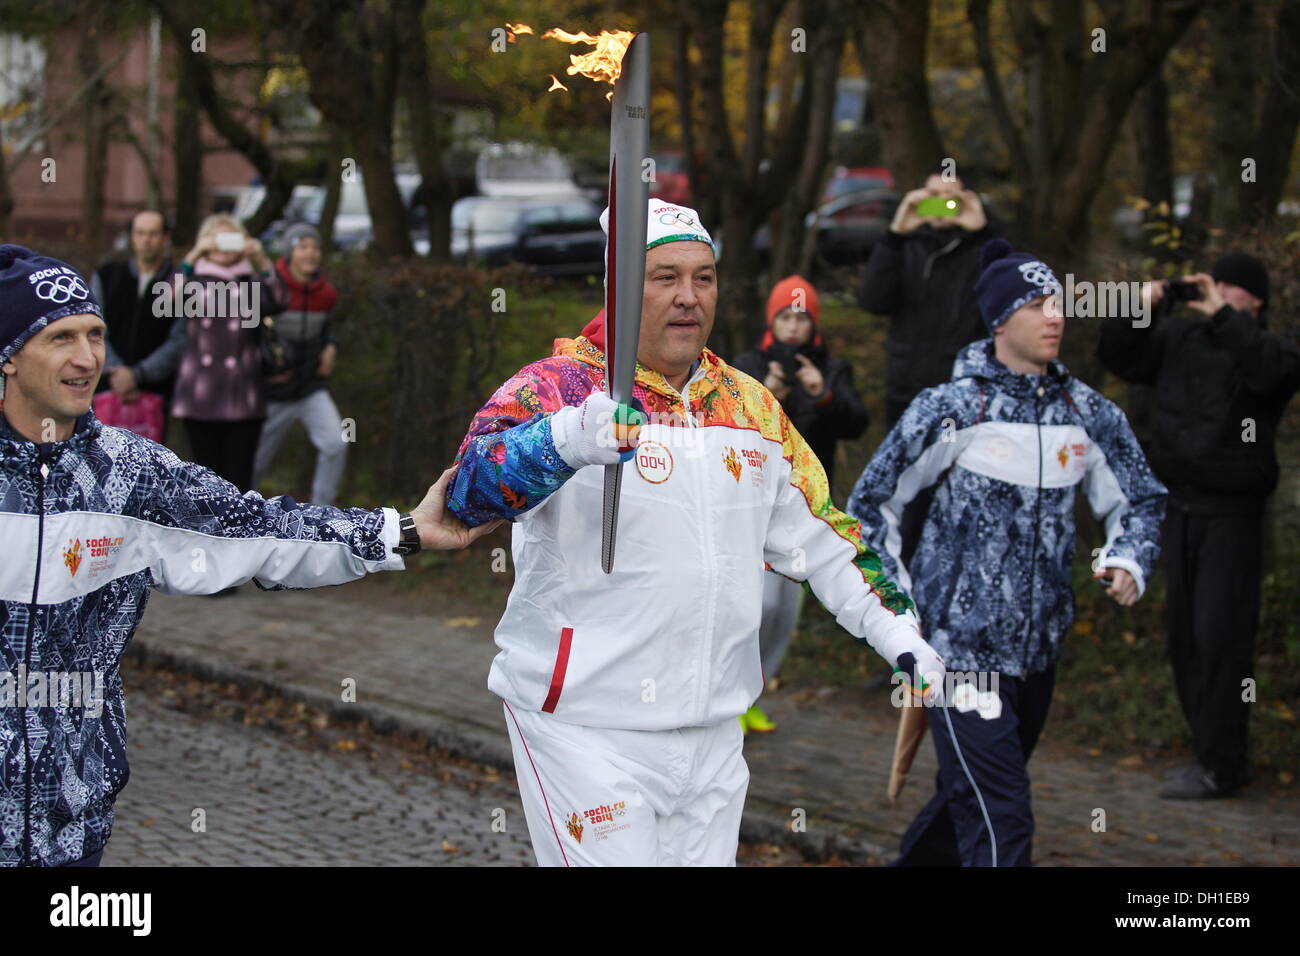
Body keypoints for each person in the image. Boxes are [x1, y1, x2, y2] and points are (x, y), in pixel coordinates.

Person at [446, 200, 944, 867]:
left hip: (714, 732)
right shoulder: (557, 389)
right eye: (664, 278)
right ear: (620, 287)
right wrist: (566, 440)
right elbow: (470, 491)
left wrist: (901, 637)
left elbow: (826, 533)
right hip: (585, 728)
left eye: (703, 278)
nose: (688, 297)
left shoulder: (750, 408)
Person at [0, 244, 497, 867]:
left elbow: (257, 529)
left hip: (68, 822)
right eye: (59, 338)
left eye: (94, 334)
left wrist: (398, 532)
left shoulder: (128, 475)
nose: (87, 358)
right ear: (9, 357)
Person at [849, 239, 1167, 866]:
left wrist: (1128, 558)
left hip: (1039, 654)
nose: (1056, 316)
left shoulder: (1090, 415)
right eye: (1037, 304)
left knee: (964, 803)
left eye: (1058, 303)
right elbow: (868, 507)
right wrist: (898, 612)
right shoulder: (953, 408)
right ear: (999, 320)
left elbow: (1142, 500)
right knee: (1003, 820)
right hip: (960, 654)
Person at [1097, 254, 1300, 799]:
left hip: (1232, 516)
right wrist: (1140, 308)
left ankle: (1223, 763)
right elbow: (1118, 356)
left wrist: (1222, 315)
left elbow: (1272, 372)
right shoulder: (1180, 342)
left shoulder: (1267, 349)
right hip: (1178, 508)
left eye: (1231, 288)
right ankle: (1205, 753)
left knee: (1222, 639)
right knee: (1185, 639)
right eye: (1213, 285)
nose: (1218, 294)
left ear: (1255, 301)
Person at [729, 275, 869, 733]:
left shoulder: (831, 369)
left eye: (802, 318)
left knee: (784, 615)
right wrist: (767, 392)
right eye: (785, 317)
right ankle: (730, 693)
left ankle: (754, 695)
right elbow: (726, 423)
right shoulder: (748, 366)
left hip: (804, 506)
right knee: (758, 606)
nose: (793, 328)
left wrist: (820, 393)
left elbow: (855, 423)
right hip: (750, 503)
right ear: (773, 320)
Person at [859, 168, 993, 570]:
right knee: (906, 495)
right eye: (931, 197)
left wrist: (981, 233)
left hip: (966, 396)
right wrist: (897, 232)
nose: (941, 207)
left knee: (960, 495)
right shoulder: (905, 246)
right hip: (909, 392)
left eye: (950, 199)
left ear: (968, 200)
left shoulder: (982, 250)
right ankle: (901, 592)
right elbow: (872, 299)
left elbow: (1002, 308)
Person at [171, 213, 278, 496]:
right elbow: (165, 301)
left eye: (230, 239)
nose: (223, 247)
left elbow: (279, 299)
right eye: (215, 239)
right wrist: (194, 255)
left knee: (239, 479)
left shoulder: (251, 281)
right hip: (200, 392)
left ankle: (239, 537)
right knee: (205, 478)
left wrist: (261, 259)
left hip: (243, 391)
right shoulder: (193, 280)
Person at [252, 224, 349, 506]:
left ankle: (323, 513)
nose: (311, 253)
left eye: (316, 247)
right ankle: (245, 514)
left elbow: (327, 327)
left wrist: (331, 345)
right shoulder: (270, 287)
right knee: (255, 461)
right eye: (303, 247)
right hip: (272, 393)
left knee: (336, 443)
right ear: (289, 251)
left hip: (310, 389)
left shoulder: (326, 293)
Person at [92, 210, 184, 432]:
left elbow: (180, 338)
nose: (146, 240)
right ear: (132, 237)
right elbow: (92, 326)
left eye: (153, 234)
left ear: (165, 238)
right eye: (140, 233)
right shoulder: (107, 276)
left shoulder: (179, 282)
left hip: (156, 393)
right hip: (106, 389)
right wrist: (116, 371)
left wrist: (138, 375)